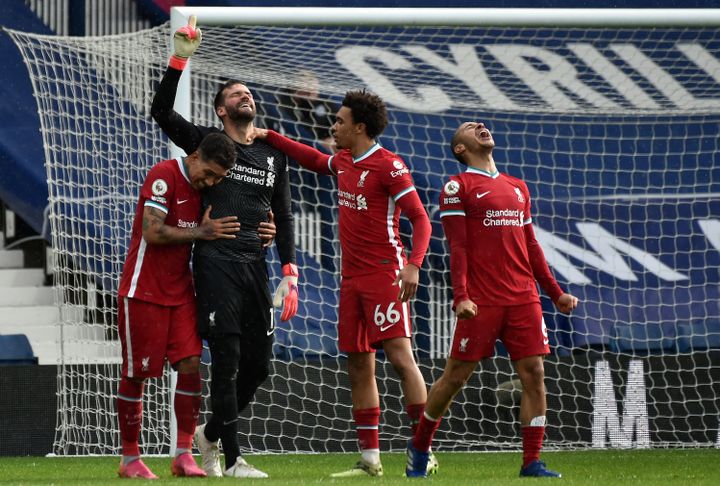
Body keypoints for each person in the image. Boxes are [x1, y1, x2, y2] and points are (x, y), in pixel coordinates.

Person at [254, 89, 438, 477]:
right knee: (358, 364)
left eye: (339, 121)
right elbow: (313, 159)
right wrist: (269, 136)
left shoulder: (390, 166)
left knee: (401, 358)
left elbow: (421, 220)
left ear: (359, 126)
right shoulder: (343, 161)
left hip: (385, 274)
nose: (333, 126)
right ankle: (371, 460)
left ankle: (424, 450)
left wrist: (414, 265)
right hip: (351, 281)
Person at [150, 17, 298, 478]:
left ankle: (210, 433)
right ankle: (232, 460)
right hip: (216, 264)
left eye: (247, 93)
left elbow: (284, 213)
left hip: (257, 267)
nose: (245, 96)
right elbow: (161, 112)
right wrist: (178, 61)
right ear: (219, 110)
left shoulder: (272, 155)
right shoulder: (204, 143)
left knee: (260, 366)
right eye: (234, 94)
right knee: (229, 361)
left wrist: (290, 269)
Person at [404, 121, 579, 479]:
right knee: (455, 378)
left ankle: (531, 462)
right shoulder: (457, 187)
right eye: (470, 128)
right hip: (481, 300)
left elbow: (531, 246)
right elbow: (459, 247)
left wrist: (555, 293)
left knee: (535, 374)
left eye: (481, 125)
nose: (481, 127)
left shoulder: (518, 187)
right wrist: (462, 297)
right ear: (460, 149)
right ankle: (420, 446)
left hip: (523, 298)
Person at [116, 133, 239, 479]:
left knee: (190, 366)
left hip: (182, 293)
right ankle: (129, 459)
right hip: (143, 291)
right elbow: (152, 232)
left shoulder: (205, 189)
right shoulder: (163, 175)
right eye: (210, 173)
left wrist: (267, 226)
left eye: (217, 178)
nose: (210, 182)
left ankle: (183, 454)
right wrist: (201, 233)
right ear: (196, 155)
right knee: (137, 374)